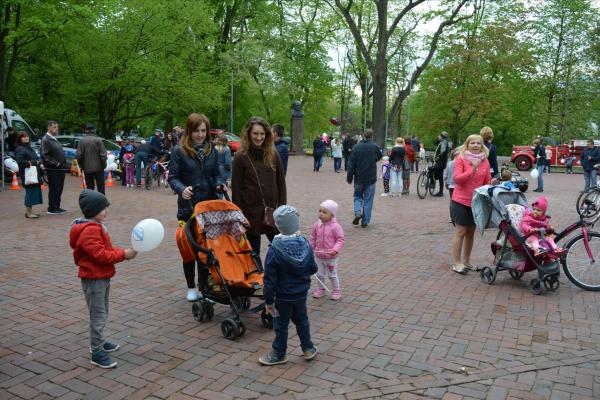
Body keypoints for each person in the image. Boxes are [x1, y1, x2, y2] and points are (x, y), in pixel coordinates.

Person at [69, 189, 138, 368]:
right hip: (94, 279)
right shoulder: (89, 231)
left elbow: (106, 249)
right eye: (103, 208)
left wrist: (123, 253)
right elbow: (100, 255)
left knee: (102, 313)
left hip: (101, 277)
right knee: (98, 316)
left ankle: (98, 343)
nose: (106, 211)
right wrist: (124, 254)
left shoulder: (95, 227)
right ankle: (97, 352)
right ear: (92, 210)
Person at [168, 113, 227, 301]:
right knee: (189, 248)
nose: (200, 135)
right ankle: (191, 287)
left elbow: (217, 174)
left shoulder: (213, 151)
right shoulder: (180, 151)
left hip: (208, 207)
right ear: (189, 131)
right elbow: (173, 177)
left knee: (207, 249)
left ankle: (205, 287)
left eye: (203, 130)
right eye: (196, 131)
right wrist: (181, 189)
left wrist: (220, 184)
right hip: (188, 207)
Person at [259, 205, 318, 366]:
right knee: (302, 321)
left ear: (278, 226)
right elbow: (313, 268)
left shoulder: (274, 250)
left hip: (283, 297)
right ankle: (307, 348)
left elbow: (269, 280)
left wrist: (268, 301)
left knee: (281, 325)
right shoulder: (305, 243)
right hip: (301, 293)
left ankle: (279, 353)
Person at [231, 117, 287, 256]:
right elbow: (236, 188)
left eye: (262, 134)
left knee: (281, 250)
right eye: (255, 133)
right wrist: (239, 215)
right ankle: (257, 277)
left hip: (272, 211)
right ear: (249, 134)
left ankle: (275, 276)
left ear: (267, 134)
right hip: (250, 213)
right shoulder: (240, 156)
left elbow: (281, 183)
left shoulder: (273, 154)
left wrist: (281, 208)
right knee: (252, 255)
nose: (259, 137)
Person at [451, 134, 491, 274]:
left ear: (482, 146)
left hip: (476, 202)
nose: (475, 145)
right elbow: (457, 180)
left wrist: (492, 184)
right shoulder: (460, 159)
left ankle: (467, 261)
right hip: (460, 200)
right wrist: (472, 169)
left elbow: (486, 181)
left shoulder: (485, 161)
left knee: (470, 233)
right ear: (467, 145)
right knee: (460, 231)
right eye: (472, 143)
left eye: (478, 143)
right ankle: (457, 263)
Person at [347, 129, 382, 228]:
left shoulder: (356, 147)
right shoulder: (374, 146)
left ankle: (358, 212)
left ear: (363, 135)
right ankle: (365, 221)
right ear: (372, 136)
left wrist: (350, 177)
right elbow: (379, 155)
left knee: (358, 196)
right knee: (368, 199)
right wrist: (374, 159)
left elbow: (351, 164)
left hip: (358, 177)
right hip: (371, 177)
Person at [310, 200, 344, 300]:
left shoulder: (336, 226)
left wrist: (335, 249)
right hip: (319, 256)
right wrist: (310, 248)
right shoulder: (317, 225)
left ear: (331, 215)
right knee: (319, 274)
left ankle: (336, 290)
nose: (321, 214)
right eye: (320, 211)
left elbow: (340, 239)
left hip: (331, 257)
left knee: (332, 275)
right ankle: (321, 289)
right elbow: (313, 237)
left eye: (324, 212)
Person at [14, 131, 43, 218]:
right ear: (19, 139)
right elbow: (20, 161)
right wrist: (35, 162)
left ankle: (30, 212)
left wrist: (39, 161)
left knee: (32, 191)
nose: (26, 138)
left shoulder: (28, 147)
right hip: (28, 174)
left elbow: (36, 157)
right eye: (23, 137)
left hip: (33, 173)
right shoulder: (20, 148)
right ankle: (28, 213)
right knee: (30, 192)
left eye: (27, 136)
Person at [41, 120, 67, 215]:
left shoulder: (53, 138)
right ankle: (52, 208)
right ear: (49, 127)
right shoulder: (46, 139)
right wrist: (56, 163)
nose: (57, 129)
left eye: (57, 127)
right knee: (54, 188)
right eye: (54, 127)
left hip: (60, 169)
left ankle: (57, 206)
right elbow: (45, 155)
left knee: (59, 188)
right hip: (53, 169)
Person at [77, 124, 108, 194]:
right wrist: (104, 165)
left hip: (87, 168)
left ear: (86, 131)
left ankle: (91, 203)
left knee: (90, 188)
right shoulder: (98, 140)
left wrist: (81, 165)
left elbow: (78, 156)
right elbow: (103, 155)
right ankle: (101, 203)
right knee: (101, 188)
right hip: (99, 168)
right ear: (94, 130)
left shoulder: (82, 141)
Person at [431, 131, 450, 196]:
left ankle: (432, 183)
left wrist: (436, 159)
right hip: (442, 162)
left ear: (442, 137)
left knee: (431, 169)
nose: (438, 137)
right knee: (440, 177)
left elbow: (442, 152)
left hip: (440, 162)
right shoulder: (442, 142)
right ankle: (440, 192)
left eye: (439, 136)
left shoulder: (443, 143)